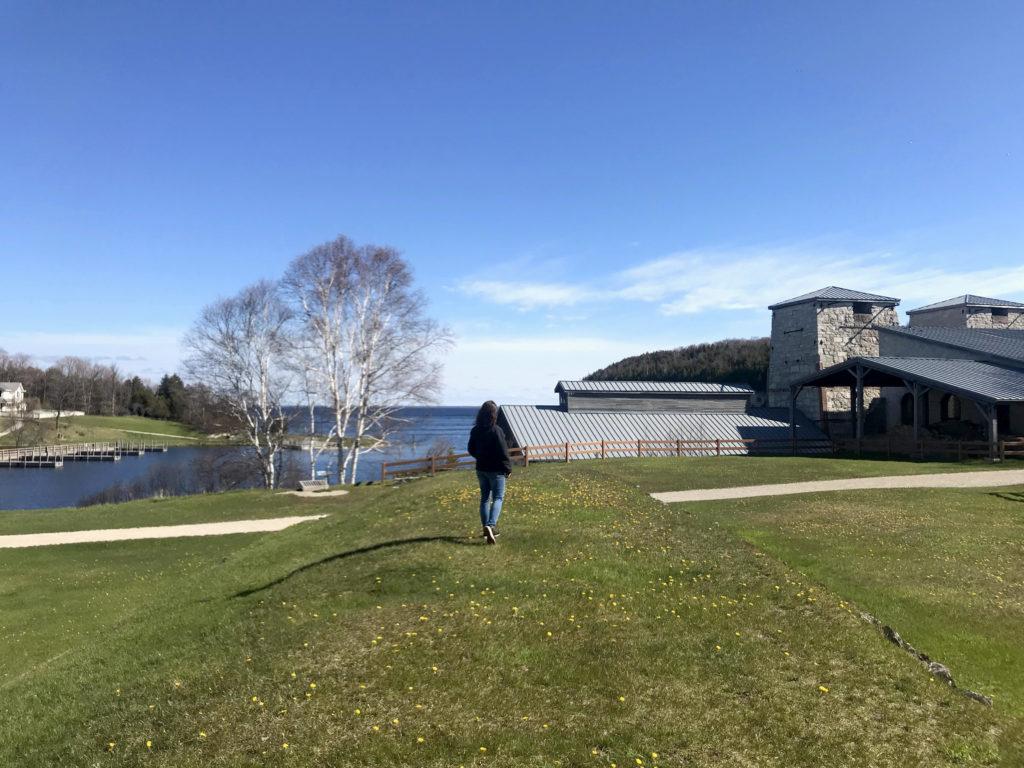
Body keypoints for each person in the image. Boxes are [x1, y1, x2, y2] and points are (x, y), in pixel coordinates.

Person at [466, 400, 511, 544]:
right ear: (494, 414)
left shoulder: (475, 430)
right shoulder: (496, 430)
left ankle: (486, 529)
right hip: (496, 471)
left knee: (485, 498)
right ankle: (491, 525)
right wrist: (508, 469)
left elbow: (471, 449)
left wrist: (480, 457)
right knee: (498, 498)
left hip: (481, 469)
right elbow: (503, 452)